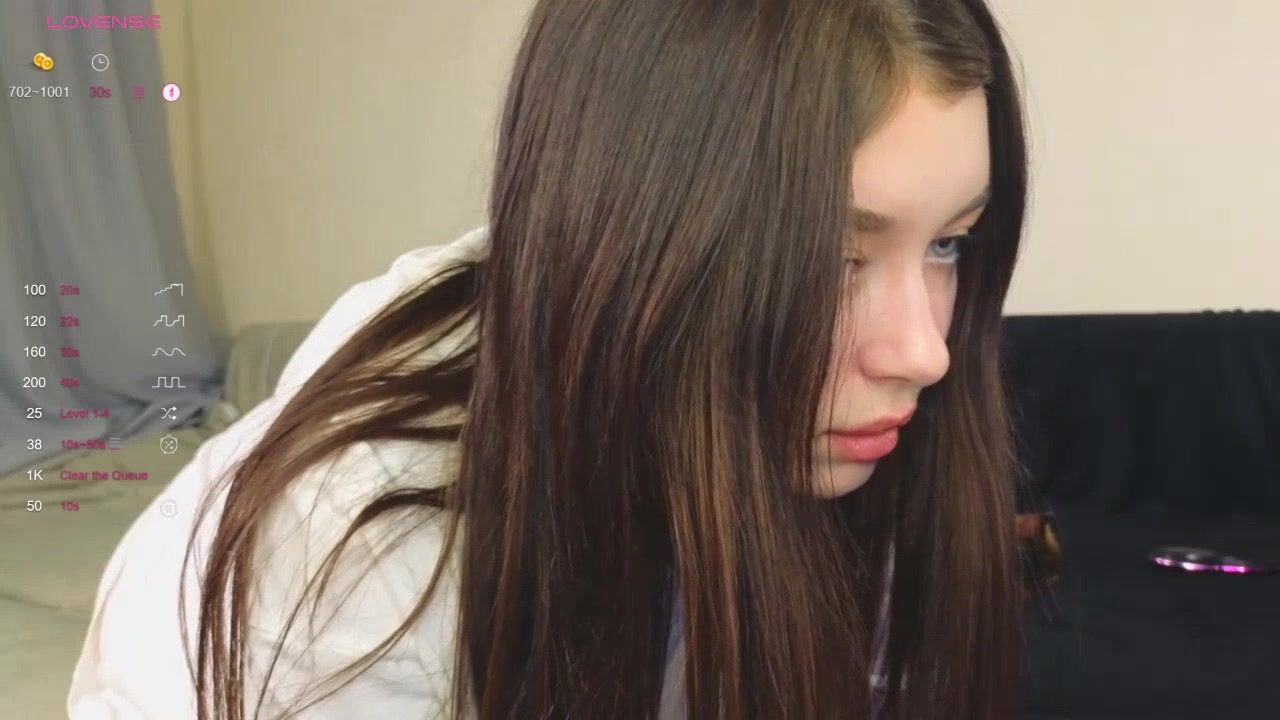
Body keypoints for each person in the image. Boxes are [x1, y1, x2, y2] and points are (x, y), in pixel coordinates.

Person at [68, 0, 1029, 717]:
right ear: (644, 238)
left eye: (949, 243)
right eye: (830, 259)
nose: (925, 353)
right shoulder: (364, 573)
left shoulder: (832, 439)